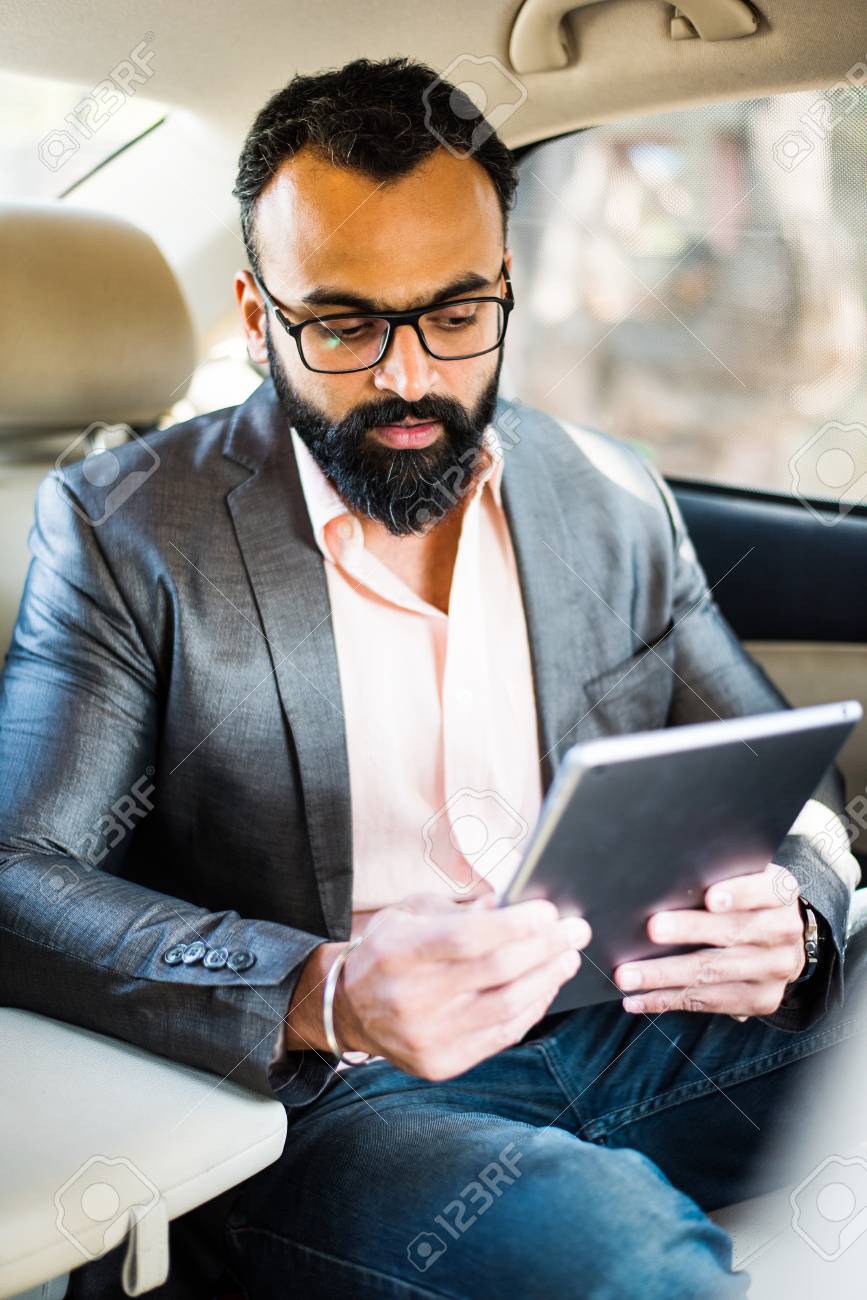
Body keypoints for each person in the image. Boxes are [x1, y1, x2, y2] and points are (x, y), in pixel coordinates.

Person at [1, 57, 865, 1300]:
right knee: (616, 1255)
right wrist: (323, 991)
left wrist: (795, 915)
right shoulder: (130, 526)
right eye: (346, 324)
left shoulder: (611, 496)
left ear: (506, 289)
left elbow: (802, 786)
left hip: (636, 1024)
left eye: (456, 316)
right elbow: (17, 881)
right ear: (257, 318)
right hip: (343, 1099)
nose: (409, 379)